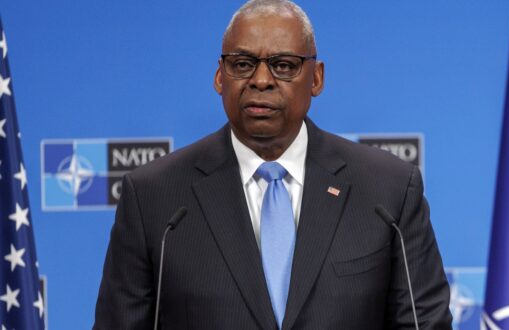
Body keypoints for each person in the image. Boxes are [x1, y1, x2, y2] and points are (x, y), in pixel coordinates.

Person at [93, 0, 452, 329]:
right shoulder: (155, 197)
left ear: (316, 78)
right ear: (220, 76)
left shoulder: (387, 190)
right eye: (242, 64)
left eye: (283, 65)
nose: (261, 81)